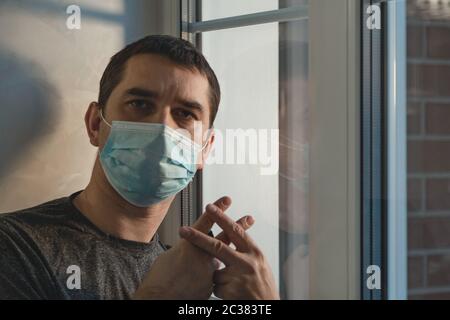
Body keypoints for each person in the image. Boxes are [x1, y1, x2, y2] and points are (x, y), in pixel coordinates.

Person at [0, 35, 279, 300]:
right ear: (96, 124)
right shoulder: (15, 246)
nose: (161, 127)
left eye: (184, 114)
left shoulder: (190, 273)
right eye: (140, 104)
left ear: (205, 149)